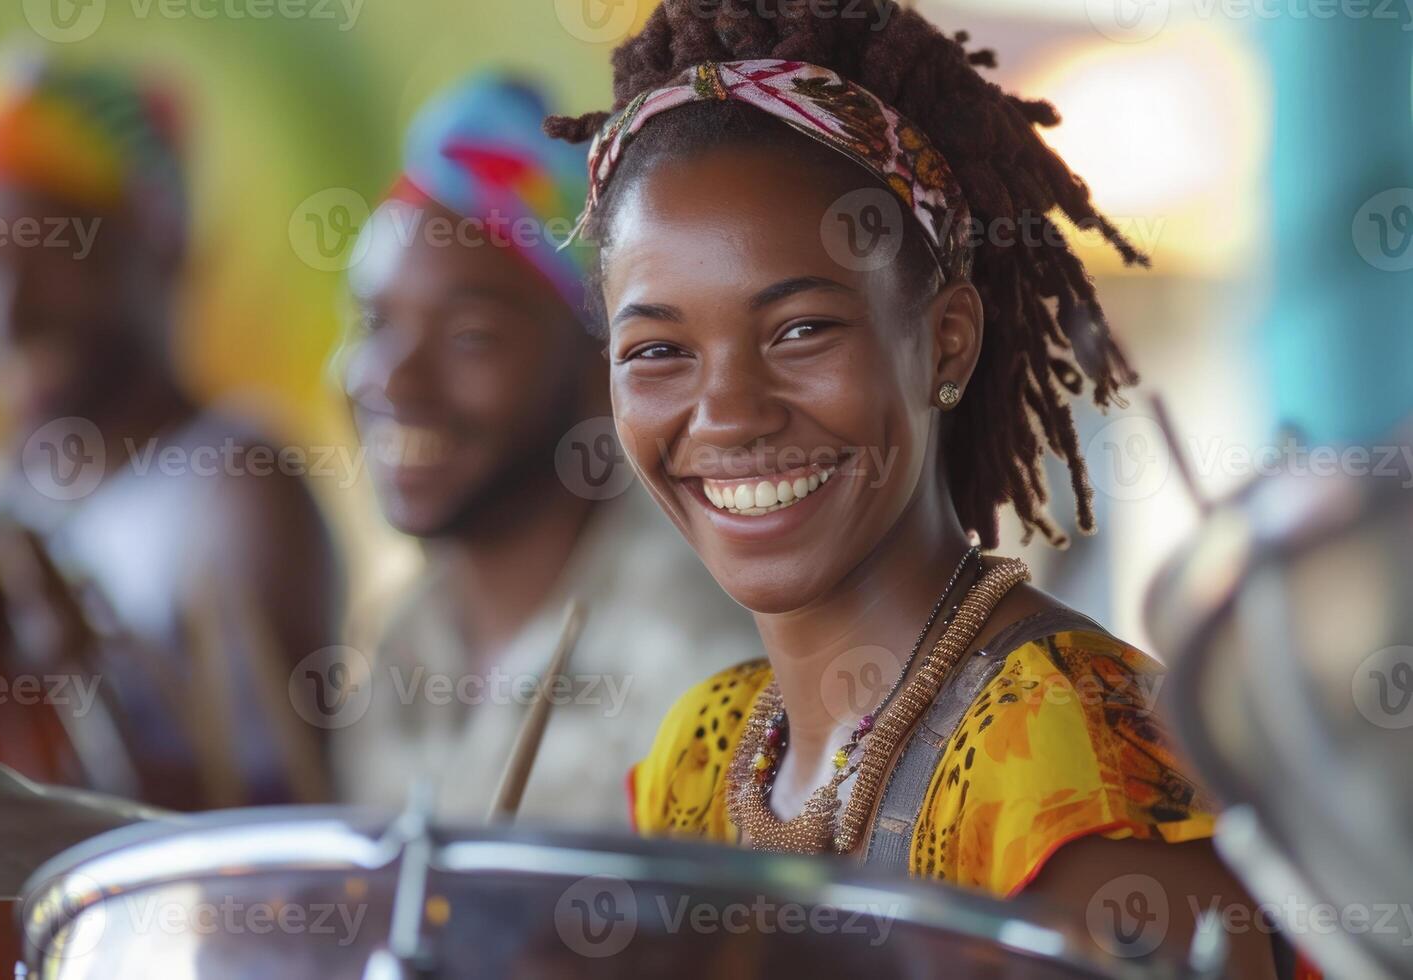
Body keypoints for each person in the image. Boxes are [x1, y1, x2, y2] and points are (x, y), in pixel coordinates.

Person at [544, 3, 1284, 974]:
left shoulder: (1071, 747)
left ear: (948, 338)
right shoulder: (703, 755)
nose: (728, 412)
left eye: (800, 329)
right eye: (658, 350)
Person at [0, 49, 340, 807]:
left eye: (43, 257)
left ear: (157, 244)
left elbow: (289, 830)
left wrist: (86, 701)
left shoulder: (236, 485)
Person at [335, 75, 761, 828]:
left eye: (470, 336)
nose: (394, 379)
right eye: (375, 323)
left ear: (603, 367)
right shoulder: (404, 642)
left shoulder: (700, 655)